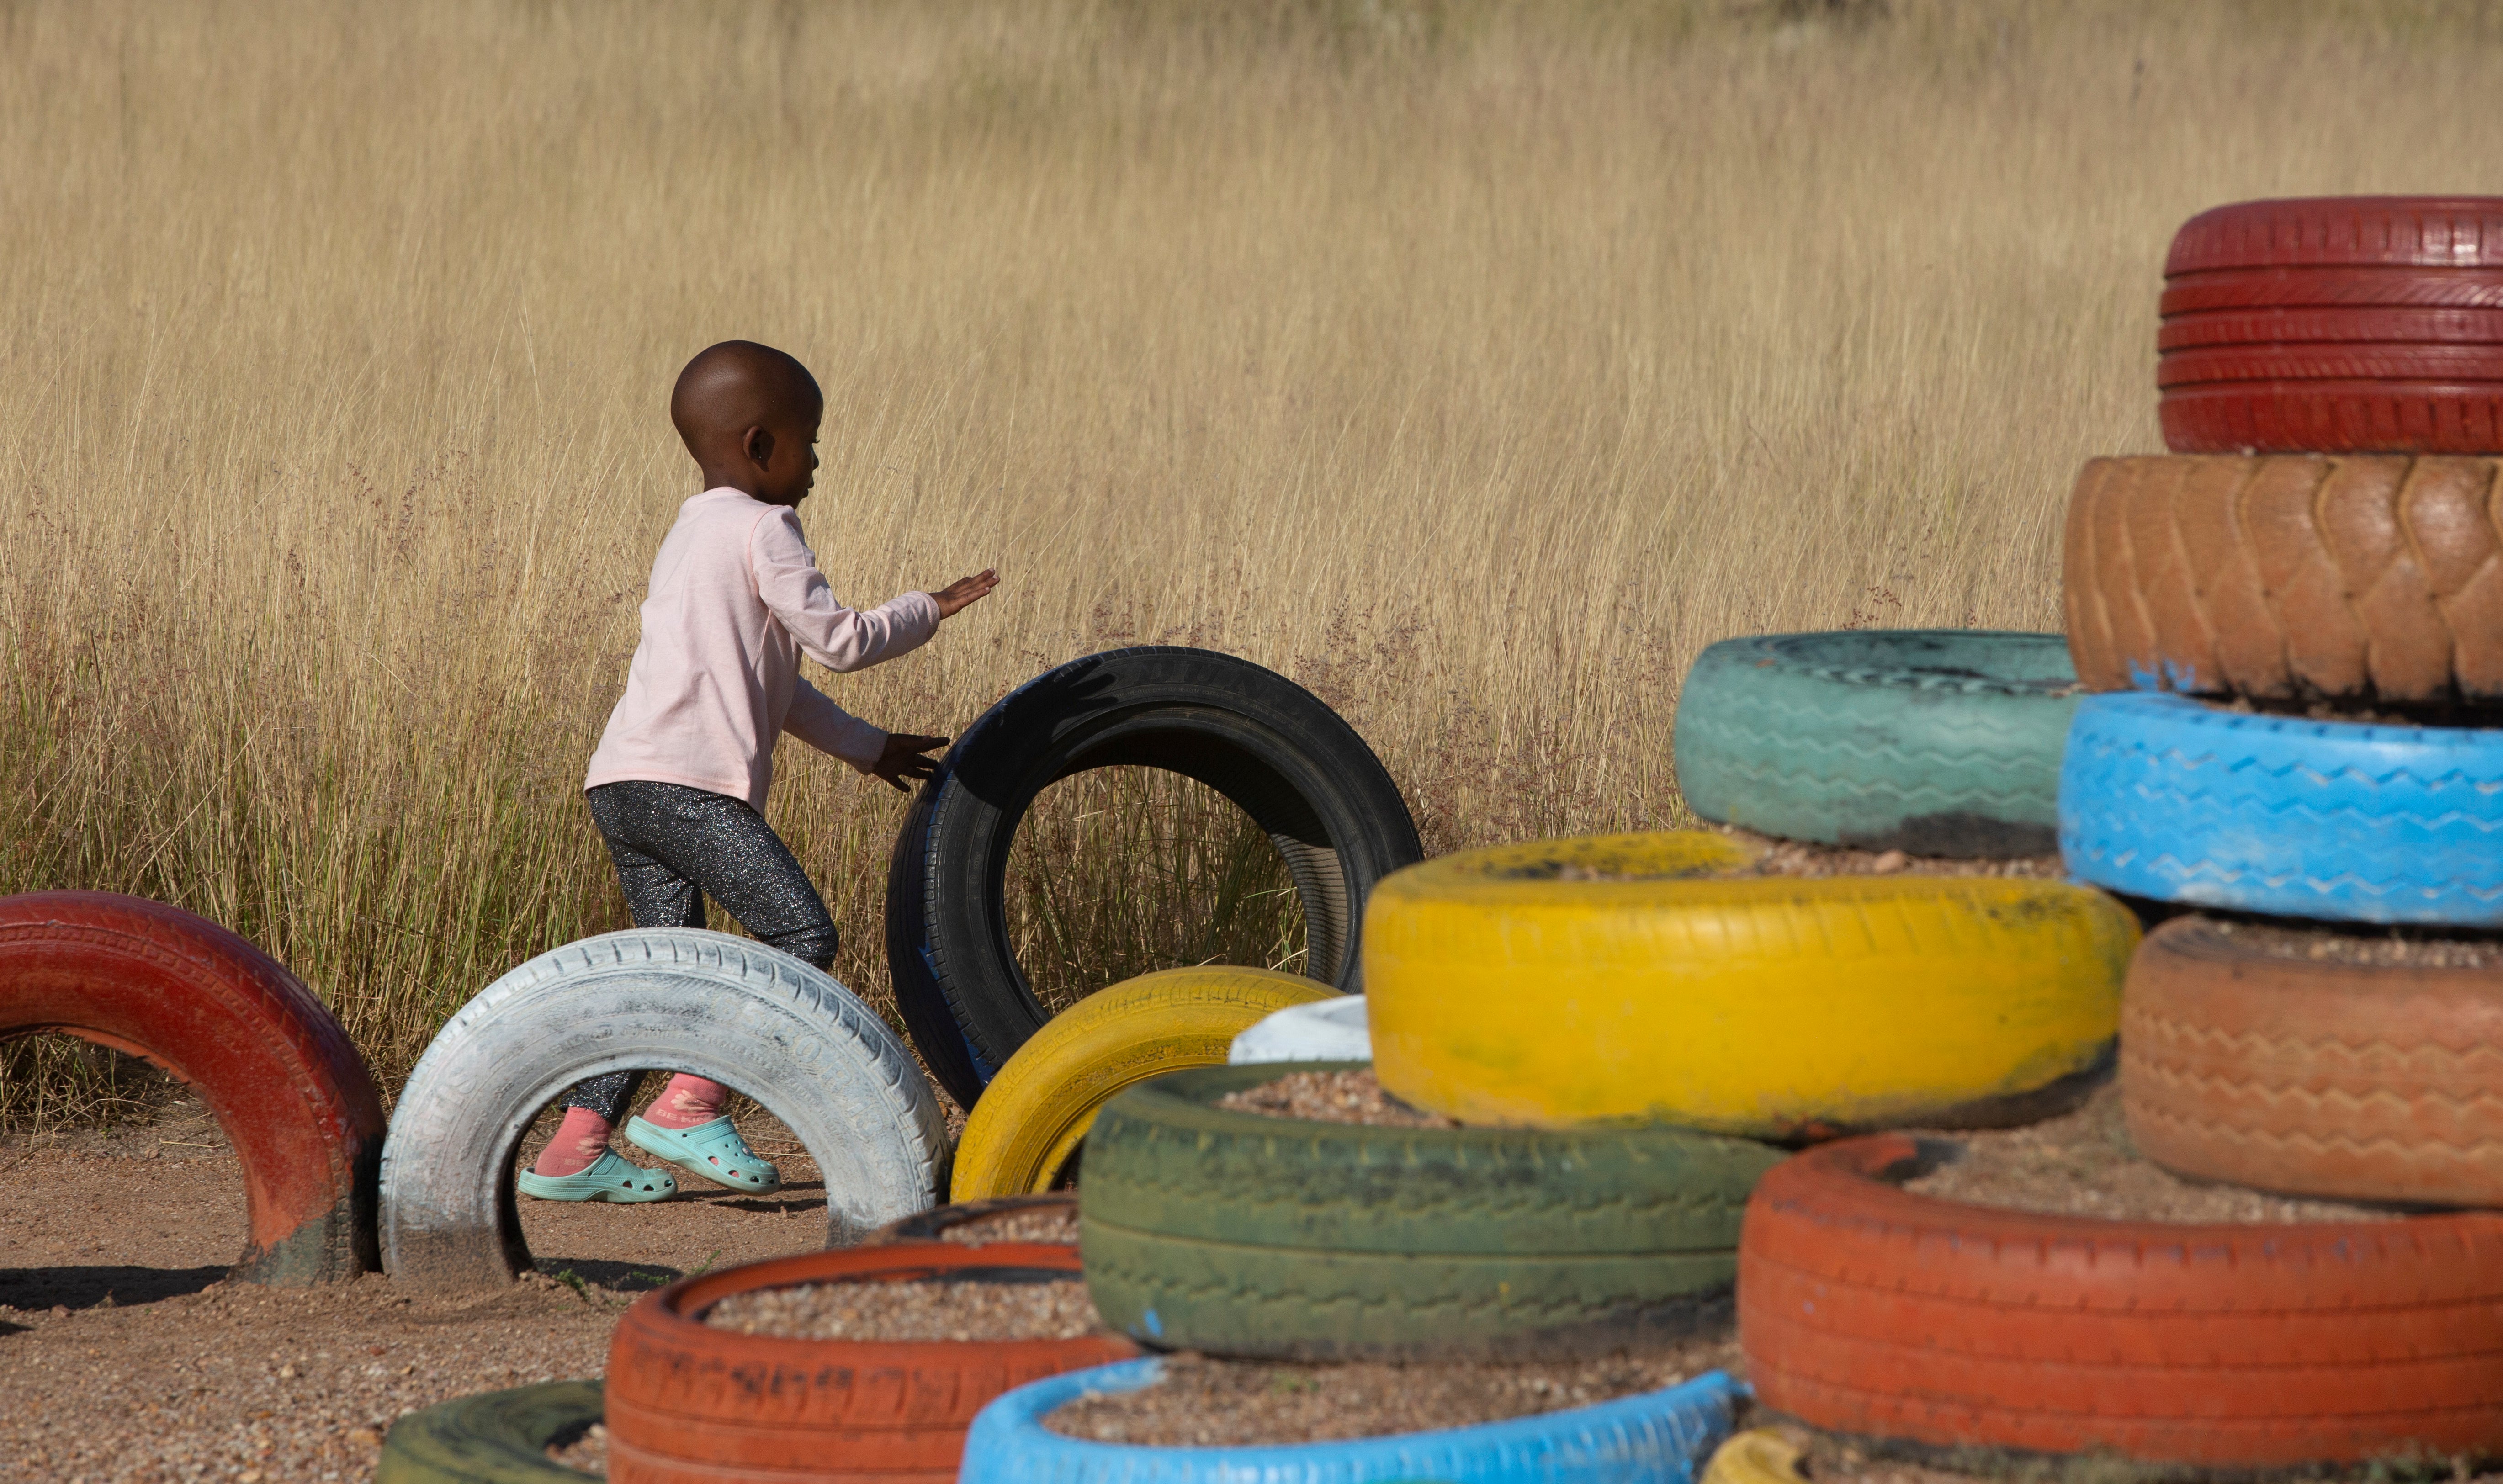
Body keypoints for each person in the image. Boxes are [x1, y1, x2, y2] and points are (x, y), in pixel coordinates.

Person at [519, 340, 997, 1203]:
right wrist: (931, 608)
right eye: (808, 440)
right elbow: (841, 644)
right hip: (685, 789)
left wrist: (867, 746)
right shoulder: (765, 526)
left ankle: (574, 1151)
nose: (817, 461)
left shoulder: (690, 530)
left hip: (622, 782)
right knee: (802, 936)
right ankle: (690, 1102)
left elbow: (771, 688)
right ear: (758, 444)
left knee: (671, 967)